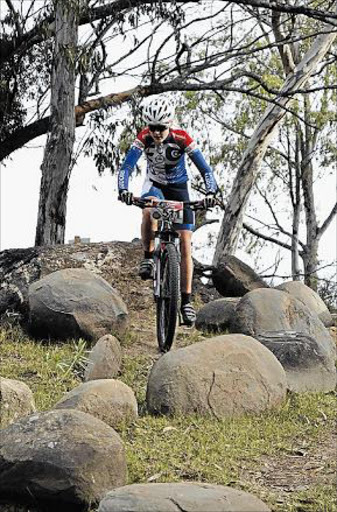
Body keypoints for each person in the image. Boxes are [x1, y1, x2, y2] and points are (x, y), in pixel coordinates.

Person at [118, 95, 218, 326]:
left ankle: (186, 302)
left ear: (169, 124)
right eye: (152, 127)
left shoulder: (182, 138)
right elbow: (127, 166)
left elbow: (206, 170)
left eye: (161, 128)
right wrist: (123, 189)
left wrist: (211, 193)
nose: (156, 132)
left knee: (185, 242)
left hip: (179, 188)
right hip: (155, 185)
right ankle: (148, 258)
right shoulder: (143, 138)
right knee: (148, 209)